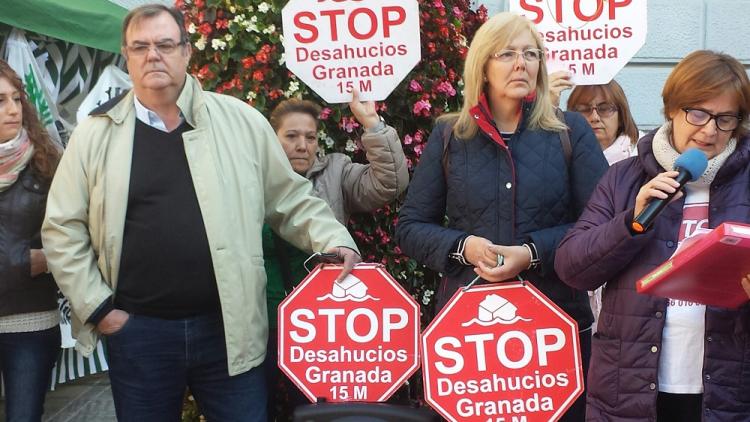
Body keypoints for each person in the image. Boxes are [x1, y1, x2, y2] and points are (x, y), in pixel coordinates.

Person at [41, 5, 360, 422]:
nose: (153, 55)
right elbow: (62, 227)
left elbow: (290, 198)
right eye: (140, 46)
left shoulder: (240, 122)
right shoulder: (94, 135)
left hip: (230, 329)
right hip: (139, 333)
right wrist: (100, 309)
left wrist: (333, 238)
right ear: (126, 55)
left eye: (164, 44)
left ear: (187, 52)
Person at [395, 12, 608, 421]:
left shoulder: (570, 131)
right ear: (483, 66)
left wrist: (532, 253)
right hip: (472, 334)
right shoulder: (449, 135)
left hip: (554, 328)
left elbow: (597, 225)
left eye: (531, 53)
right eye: (507, 53)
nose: (521, 63)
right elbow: (410, 228)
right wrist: (463, 247)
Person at [554, 50, 750, 421]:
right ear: (672, 109)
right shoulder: (623, 179)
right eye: (698, 113)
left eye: (725, 119)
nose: (709, 130)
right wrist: (632, 222)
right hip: (628, 391)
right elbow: (572, 267)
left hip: (730, 394)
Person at [263, 95, 408, 418]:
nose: (302, 145)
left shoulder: (335, 171)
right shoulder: (248, 179)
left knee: (320, 413)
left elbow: (390, 183)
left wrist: (372, 124)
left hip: (322, 326)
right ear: (270, 138)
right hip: (261, 324)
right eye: (291, 136)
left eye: (310, 137)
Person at [0, 59, 61, 422]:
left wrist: (45, 259)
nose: (11, 109)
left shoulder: (47, 161)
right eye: (0, 100)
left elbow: (77, 231)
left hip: (30, 320)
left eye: (16, 99)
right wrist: (22, 262)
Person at [566, 80, 642, 330]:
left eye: (605, 108)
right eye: (583, 109)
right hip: (576, 281)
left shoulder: (644, 159)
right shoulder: (559, 155)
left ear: (621, 113)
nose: (595, 117)